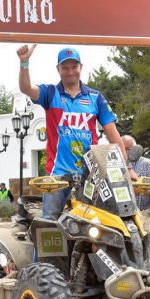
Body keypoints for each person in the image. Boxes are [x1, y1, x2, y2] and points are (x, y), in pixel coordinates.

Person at [16, 44, 132, 219]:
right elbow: (26, 88)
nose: (70, 71)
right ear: (58, 69)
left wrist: (127, 168)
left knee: (99, 222)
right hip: (58, 176)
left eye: (74, 66)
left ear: (81, 67)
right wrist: (24, 63)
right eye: (65, 67)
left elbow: (113, 134)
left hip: (91, 174)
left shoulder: (95, 98)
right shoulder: (51, 93)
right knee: (49, 225)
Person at [122, 135, 150, 210]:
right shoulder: (112, 165)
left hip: (147, 213)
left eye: (130, 149)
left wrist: (144, 191)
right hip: (123, 214)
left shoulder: (148, 164)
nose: (126, 152)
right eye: (123, 149)